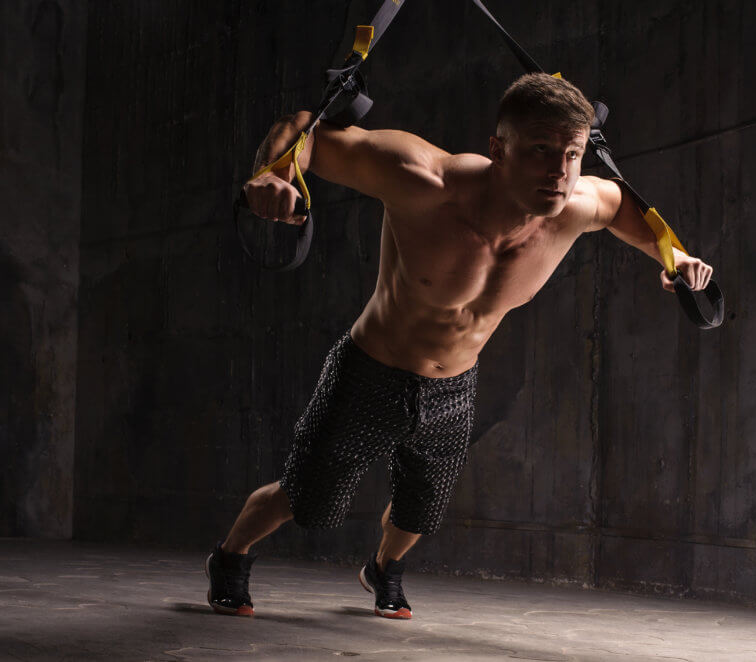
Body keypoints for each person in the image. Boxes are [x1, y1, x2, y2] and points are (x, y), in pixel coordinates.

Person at [206, 73, 714, 620]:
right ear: (499, 150)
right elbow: (306, 129)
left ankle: (383, 570)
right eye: (540, 151)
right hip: (369, 372)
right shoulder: (423, 180)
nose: (559, 173)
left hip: (455, 385)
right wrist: (273, 173)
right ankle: (230, 558)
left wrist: (674, 255)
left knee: (420, 509)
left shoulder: (579, 205)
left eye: (570, 154)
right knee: (304, 497)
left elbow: (623, 208)